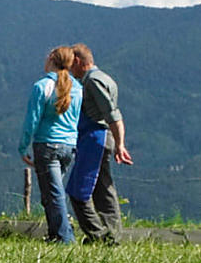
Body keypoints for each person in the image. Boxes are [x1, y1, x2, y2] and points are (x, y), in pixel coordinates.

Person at [66, 43, 133, 245]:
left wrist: (120, 144)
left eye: (70, 64)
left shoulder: (93, 82)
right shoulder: (105, 78)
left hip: (95, 138)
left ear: (77, 61)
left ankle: (98, 235)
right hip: (100, 138)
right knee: (103, 188)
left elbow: (112, 114)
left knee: (79, 189)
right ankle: (112, 235)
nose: (69, 70)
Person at [19, 46, 82, 243]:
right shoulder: (78, 88)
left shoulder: (42, 87)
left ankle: (65, 237)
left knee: (53, 193)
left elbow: (32, 121)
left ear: (51, 59)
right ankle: (55, 233)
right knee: (52, 192)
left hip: (46, 145)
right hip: (69, 146)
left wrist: (23, 147)